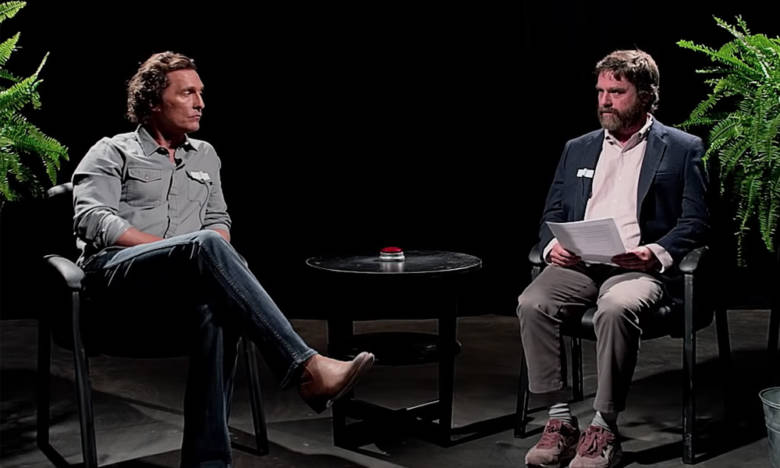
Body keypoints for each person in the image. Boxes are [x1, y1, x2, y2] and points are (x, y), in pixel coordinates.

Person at [72, 51, 374, 468]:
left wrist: (200, 254)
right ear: (153, 101)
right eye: (187, 93)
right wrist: (176, 250)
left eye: (201, 93)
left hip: (177, 289)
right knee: (204, 246)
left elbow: (217, 219)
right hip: (113, 279)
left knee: (216, 309)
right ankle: (306, 366)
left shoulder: (205, 155)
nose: (200, 103)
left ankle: (208, 462)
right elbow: (91, 218)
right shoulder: (111, 151)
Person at [517, 49, 709, 468]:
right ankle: (560, 420)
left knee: (616, 307)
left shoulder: (682, 148)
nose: (605, 101)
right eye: (601, 91)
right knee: (532, 302)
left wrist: (654, 253)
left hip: (637, 268)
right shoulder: (578, 148)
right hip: (581, 264)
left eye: (617, 92)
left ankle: (603, 426)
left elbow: (695, 221)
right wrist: (552, 246)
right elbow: (552, 214)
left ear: (646, 95)